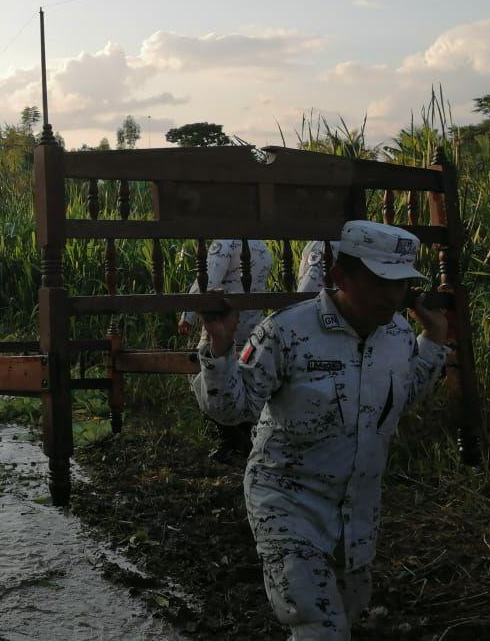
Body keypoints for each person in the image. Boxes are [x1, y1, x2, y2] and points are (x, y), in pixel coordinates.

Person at [190, 221, 448, 641]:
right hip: (288, 501)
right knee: (319, 625)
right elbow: (231, 409)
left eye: (401, 284)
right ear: (340, 276)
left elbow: (401, 400)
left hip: (359, 510)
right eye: (380, 280)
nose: (392, 295)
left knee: (344, 615)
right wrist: (219, 347)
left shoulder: (399, 335)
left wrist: (433, 340)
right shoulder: (287, 331)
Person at [178, 239, 273, 458]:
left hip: (223, 324)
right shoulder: (261, 247)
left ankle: (231, 440)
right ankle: (247, 436)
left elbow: (207, 281)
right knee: (245, 381)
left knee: (204, 377)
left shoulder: (224, 245)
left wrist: (187, 315)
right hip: (252, 327)